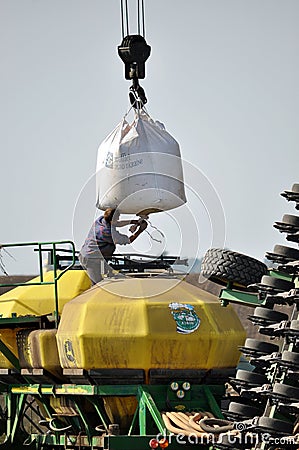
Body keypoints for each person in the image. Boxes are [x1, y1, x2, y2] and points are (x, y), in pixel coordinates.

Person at [79, 208, 147, 284]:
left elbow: (116, 223)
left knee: (104, 278)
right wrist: (140, 230)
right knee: (97, 284)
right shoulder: (106, 232)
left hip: (90, 255)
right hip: (91, 259)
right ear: (112, 221)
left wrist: (134, 222)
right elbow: (128, 240)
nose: (118, 220)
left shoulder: (100, 220)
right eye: (117, 219)